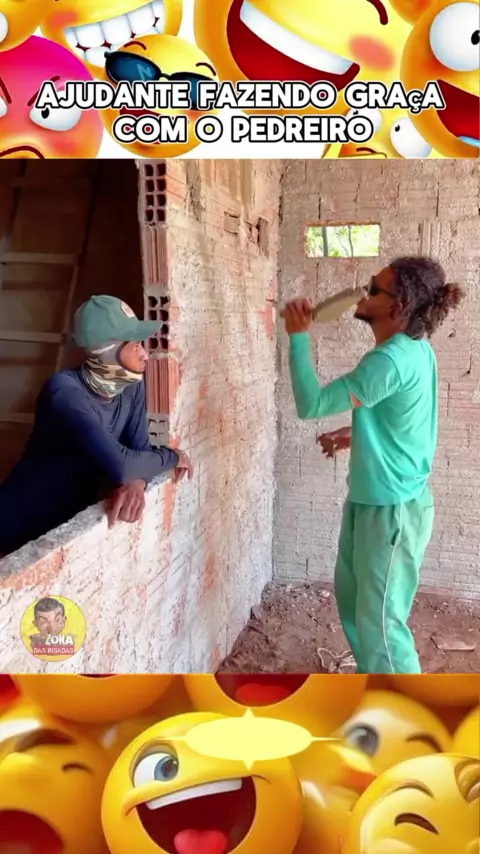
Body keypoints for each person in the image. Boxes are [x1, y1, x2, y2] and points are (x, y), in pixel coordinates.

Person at [281, 257, 464, 675]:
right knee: (354, 606)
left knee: (382, 626)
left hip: (392, 511)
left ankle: (405, 708)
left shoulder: (390, 361)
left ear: (397, 307)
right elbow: (402, 418)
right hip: (374, 501)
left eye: (374, 289)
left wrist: (298, 337)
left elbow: (311, 404)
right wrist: (357, 432)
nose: (362, 294)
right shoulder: (411, 350)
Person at [0, 295, 193, 557]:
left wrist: (138, 481)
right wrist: (172, 456)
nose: (145, 355)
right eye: (135, 345)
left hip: (63, 528)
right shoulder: (64, 392)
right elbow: (122, 466)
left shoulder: (131, 387)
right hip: (14, 531)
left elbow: (139, 452)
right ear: (107, 351)